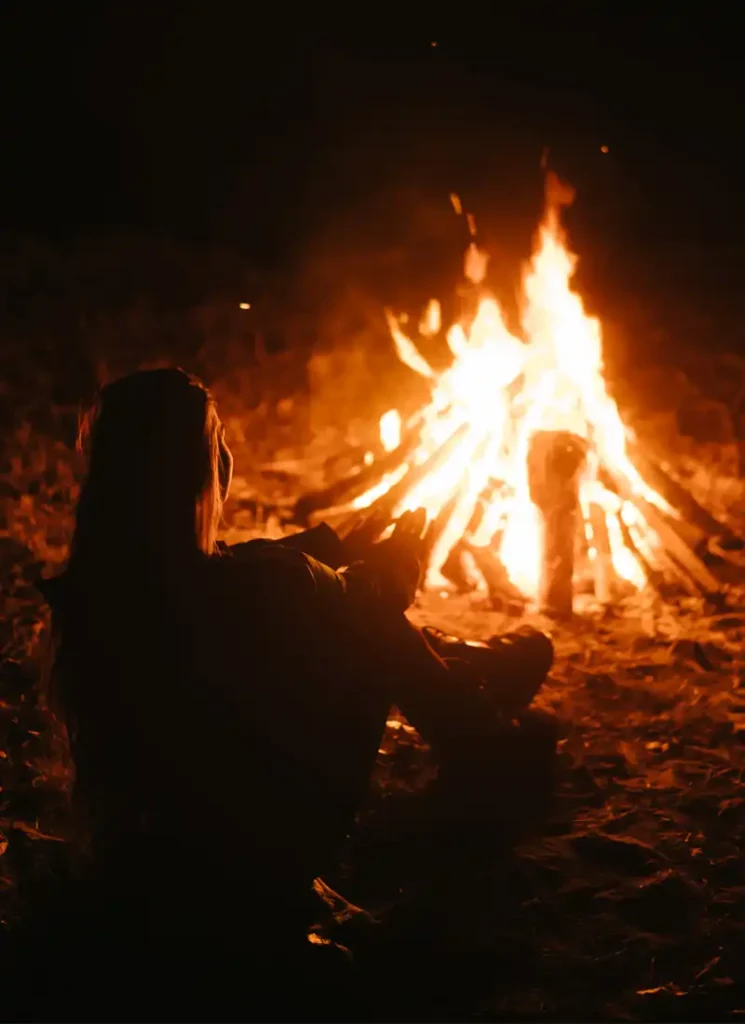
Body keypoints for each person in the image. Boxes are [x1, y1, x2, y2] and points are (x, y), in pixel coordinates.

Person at [27, 368, 556, 1021]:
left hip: (143, 865)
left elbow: (245, 571)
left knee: (347, 610)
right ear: (198, 470)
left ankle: (470, 681)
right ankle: (479, 737)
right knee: (363, 613)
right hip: (250, 871)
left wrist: (336, 546)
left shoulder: (98, 593)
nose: (226, 459)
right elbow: (352, 603)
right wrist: (393, 569)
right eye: (215, 444)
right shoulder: (255, 587)